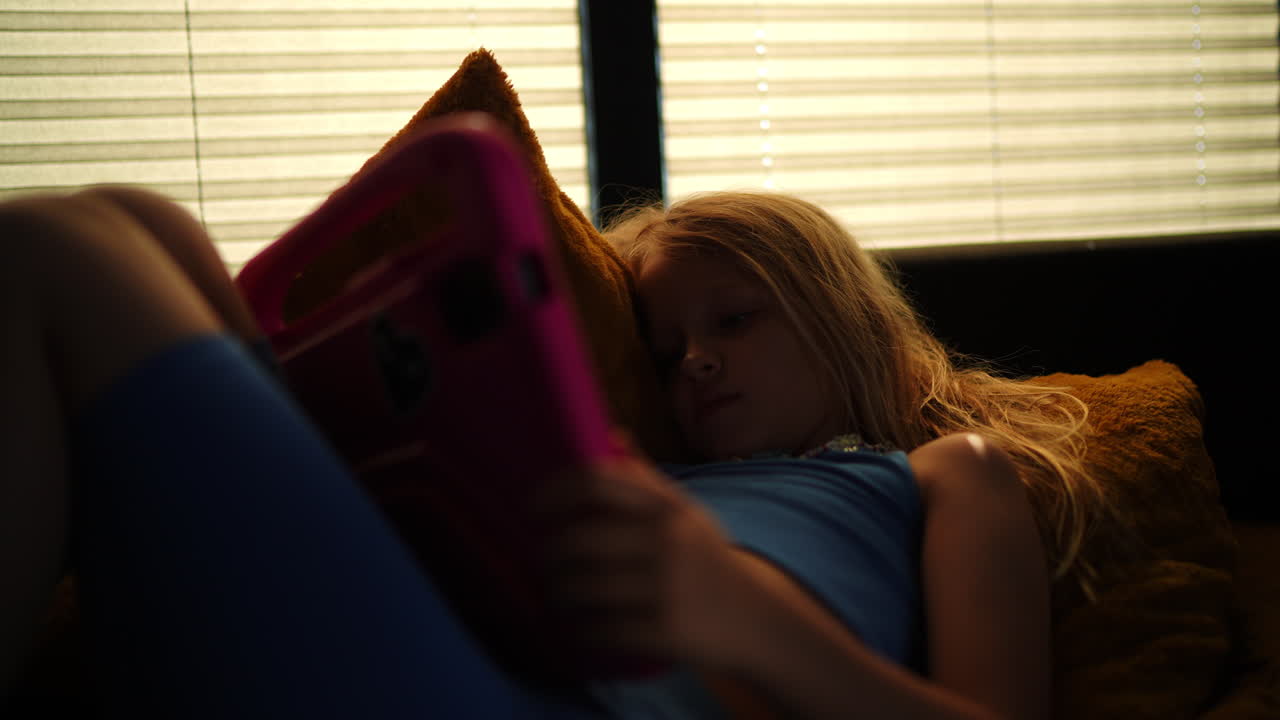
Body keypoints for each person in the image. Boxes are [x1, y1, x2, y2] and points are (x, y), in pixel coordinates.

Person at [0, 185, 1104, 719]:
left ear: (837, 315)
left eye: (733, 321)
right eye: (667, 350)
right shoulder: (661, 480)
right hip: (449, 658)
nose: (694, 368)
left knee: (51, 250)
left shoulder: (940, 471)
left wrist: (746, 617)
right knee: (151, 225)